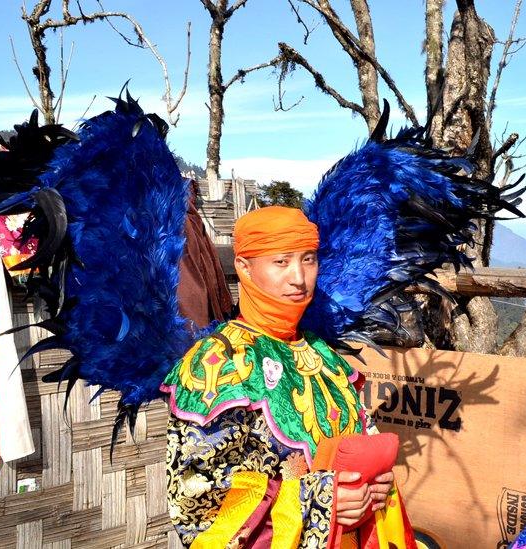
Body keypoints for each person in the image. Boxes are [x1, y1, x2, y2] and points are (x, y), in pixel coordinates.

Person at [162, 206, 396, 548]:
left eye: (309, 260)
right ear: (245, 267)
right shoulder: (219, 363)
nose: (299, 278)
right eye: (281, 262)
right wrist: (319, 500)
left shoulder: (324, 355)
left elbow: (361, 435)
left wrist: (376, 483)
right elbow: (198, 501)